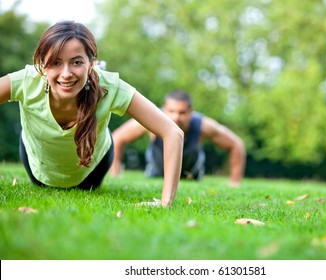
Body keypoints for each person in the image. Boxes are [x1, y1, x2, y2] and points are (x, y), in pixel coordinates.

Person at [0, 21, 184, 207]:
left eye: (77, 62)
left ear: (91, 63)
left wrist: (165, 202)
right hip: (38, 169)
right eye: (56, 62)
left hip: (92, 172)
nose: (66, 74)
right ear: (42, 64)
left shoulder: (111, 87)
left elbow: (173, 133)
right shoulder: (26, 81)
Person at [110, 90, 246, 186]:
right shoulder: (151, 119)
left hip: (192, 178)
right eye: (171, 111)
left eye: (182, 113)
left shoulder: (204, 126)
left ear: (191, 112)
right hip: (156, 175)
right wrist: (115, 174)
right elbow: (117, 138)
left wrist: (234, 182)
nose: (176, 117)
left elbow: (236, 145)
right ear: (163, 110)